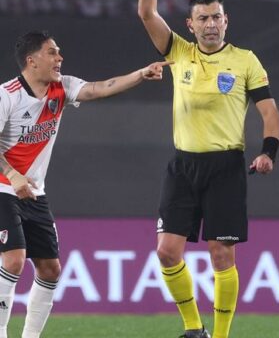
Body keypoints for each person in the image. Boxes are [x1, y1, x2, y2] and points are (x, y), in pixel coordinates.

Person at [138, 0, 279, 337]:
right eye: (202, 18)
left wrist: (268, 151)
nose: (211, 24)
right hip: (183, 167)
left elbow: (269, 112)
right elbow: (146, 12)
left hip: (225, 167)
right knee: (167, 252)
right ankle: (193, 329)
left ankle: (219, 336)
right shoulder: (178, 52)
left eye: (216, 17)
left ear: (226, 20)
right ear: (190, 24)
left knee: (221, 254)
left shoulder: (245, 61)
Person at [0, 30, 170, 338]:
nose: (60, 58)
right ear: (32, 60)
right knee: (13, 260)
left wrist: (141, 74)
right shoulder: (7, 95)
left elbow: (100, 88)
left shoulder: (61, 88)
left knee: (51, 270)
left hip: (34, 193)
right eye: (52, 52)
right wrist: (11, 175)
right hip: (2, 189)